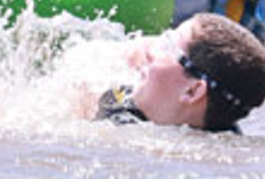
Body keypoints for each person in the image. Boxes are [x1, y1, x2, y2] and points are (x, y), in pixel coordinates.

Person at [95, 13, 265, 133]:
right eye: (165, 37)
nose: (150, 49)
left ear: (192, 91)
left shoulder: (135, 145)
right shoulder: (119, 99)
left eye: (167, 47)